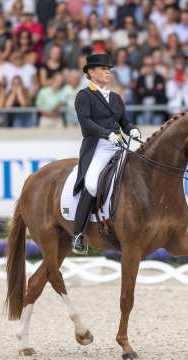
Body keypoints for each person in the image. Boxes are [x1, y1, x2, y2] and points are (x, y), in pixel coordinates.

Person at [72, 53, 140, 254]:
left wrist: (132, 129)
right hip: (99, 146)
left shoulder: (116, 98)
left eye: (109, 68)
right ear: (91, 72)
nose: (108, 71)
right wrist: (106, 134)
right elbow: (86, 122)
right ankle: (78, 234)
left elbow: (124, 122)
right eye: (103, 68)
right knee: (92, 184)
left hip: (119, 143)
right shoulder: (84, 96)